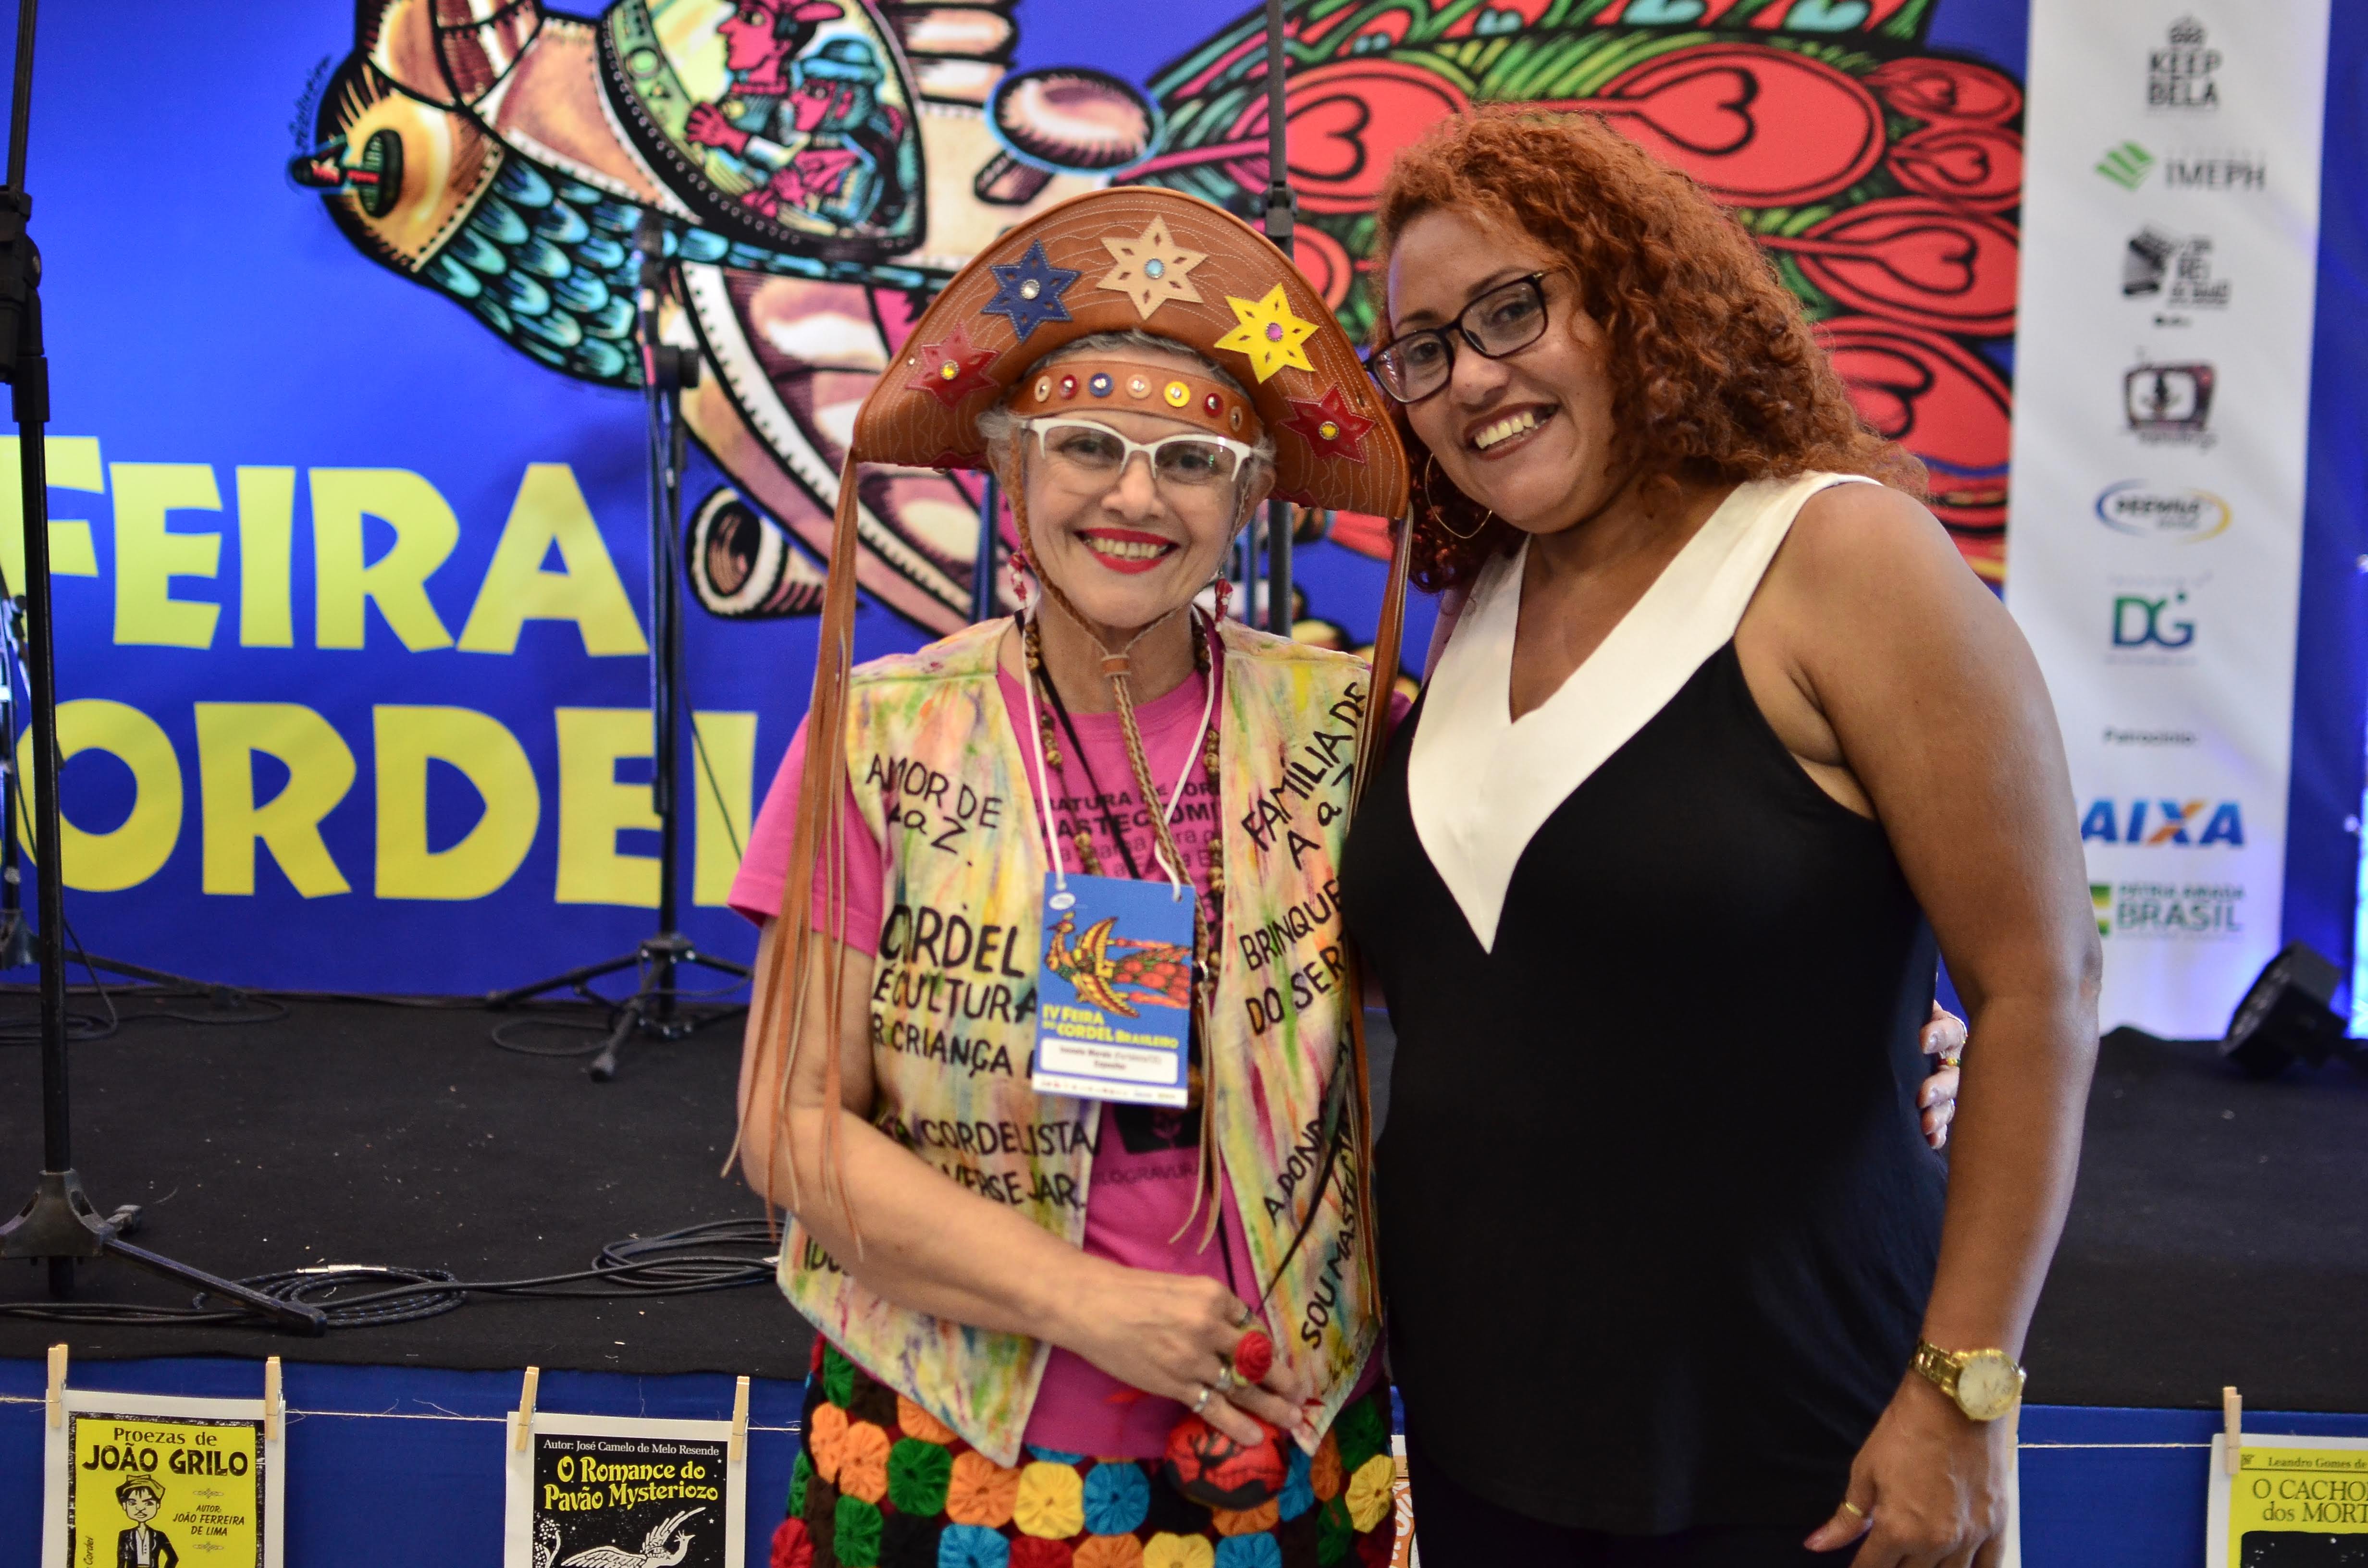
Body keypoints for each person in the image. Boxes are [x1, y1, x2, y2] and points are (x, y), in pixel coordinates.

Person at [1337, 112, 2099, 1568]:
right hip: (1490, 1436)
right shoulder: (1472, 603)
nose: (1470, 375)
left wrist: (1964, 1392)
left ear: (1631, 301)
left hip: (1805, 1453)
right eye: (1422, 347)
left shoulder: (1840, 555)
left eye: (1511, 310)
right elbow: (1504, 968)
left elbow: (2037, 989)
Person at [729, 186, 1414, 1568]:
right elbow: (791, 1128)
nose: (1134, 497)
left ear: (1249, 498)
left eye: (1190, 461)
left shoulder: (1348, 730)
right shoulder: (882, 730)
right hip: (950, 1438)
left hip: (1282, 1433)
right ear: (1010, 469)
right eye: (1087, 445)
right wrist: (1091, 1304)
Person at [115, 1474, 177, 1568]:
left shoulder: (159, 1535)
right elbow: (121, 1562)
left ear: (158, 1505)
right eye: (132, 1503)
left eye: (148, 1503)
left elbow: (173, 1558)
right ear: (124, 1505)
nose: (140, 1508)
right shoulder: (125, 1535)